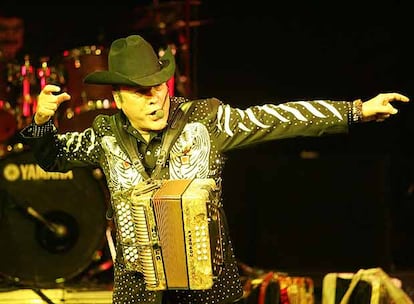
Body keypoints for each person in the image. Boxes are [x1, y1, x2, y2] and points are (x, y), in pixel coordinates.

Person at [20, 34, 409, 304]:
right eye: (140, 91)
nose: (154, 98)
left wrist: (355, 111)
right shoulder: (104, 133)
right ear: (119, 99)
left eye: (158, 85)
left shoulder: (205, 119)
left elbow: (275, 118)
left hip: (210, 288)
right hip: (138, 291)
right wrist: (40, 121)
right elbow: (53, 155)